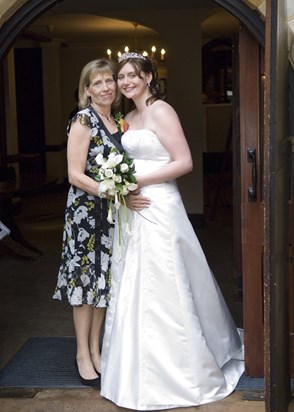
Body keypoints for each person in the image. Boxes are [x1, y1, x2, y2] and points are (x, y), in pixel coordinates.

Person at [100, 52, 244, 409]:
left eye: (133, 75)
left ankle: (179, 367)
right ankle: (132, 367)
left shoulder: (161, 110)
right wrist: (123, 187)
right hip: (133, 208)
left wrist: (134, 181)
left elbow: (184, 162)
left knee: (166, 281)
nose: (126, 81)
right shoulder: (127, 117)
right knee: (133, 281)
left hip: (159, 204)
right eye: (121, 77)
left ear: (149, 76)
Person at [53, 58, 124, 387]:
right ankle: (82, 353)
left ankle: (96, 350)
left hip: (110, 217)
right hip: (85, 214)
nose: (106, 87)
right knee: (84, 283)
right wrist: (112, 193)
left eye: (109, 80)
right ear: (86, 90)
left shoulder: (117, 120)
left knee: (103, 285)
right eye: (97, 83)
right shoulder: (83, 120)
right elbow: (74, 174)